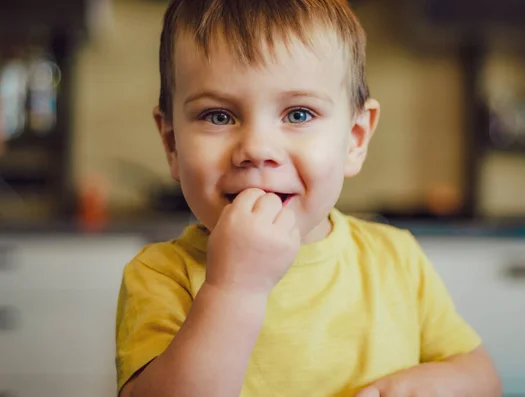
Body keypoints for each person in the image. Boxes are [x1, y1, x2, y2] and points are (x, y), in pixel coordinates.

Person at [115, 0, 502, 396]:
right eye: (218, 116)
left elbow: (483, 379)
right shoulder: (162, 276)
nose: (257, 148)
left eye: (298, 114)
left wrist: (423, 386)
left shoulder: (397, 260)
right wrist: (233, 289)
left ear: (355, 139)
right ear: (172, 144)